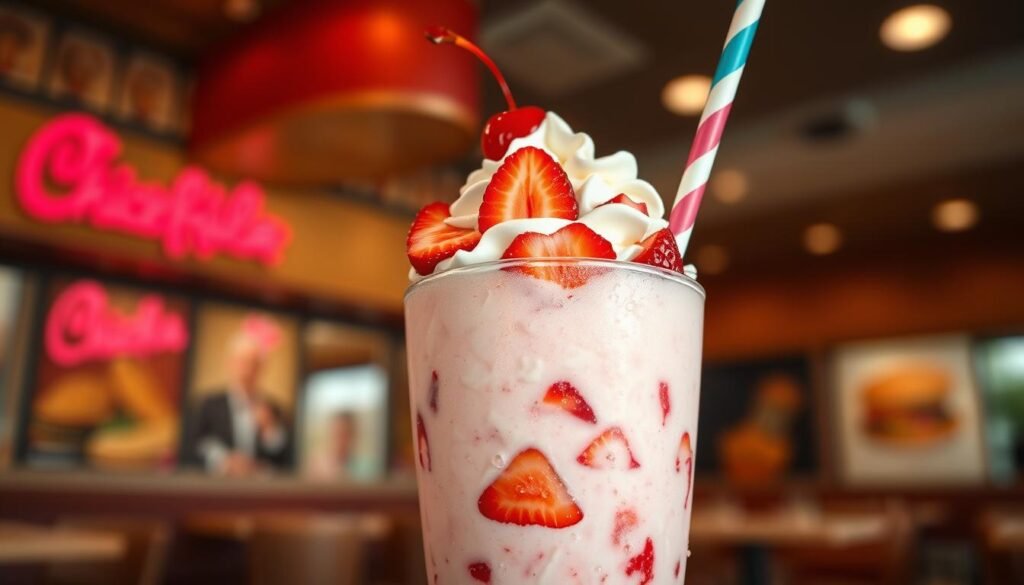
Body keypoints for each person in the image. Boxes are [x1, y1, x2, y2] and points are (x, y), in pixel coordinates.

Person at [189, 319, 292, 475]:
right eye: (243, 362)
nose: (248, 370)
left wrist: (270, 431)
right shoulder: (210, 404)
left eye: (253, 363)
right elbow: (194, 446)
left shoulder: (273, 408)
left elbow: (286, 459)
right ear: (230, 363)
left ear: (262, 368)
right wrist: (224, 460)